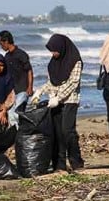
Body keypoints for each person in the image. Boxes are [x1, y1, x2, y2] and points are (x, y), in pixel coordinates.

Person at [30, 34, 85, 172]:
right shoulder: (53, 63)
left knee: (68, 131)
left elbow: (73, 83)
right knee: (58, 133)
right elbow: (52, 83)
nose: (53, 53)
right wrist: (39, 91)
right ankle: (59, 165)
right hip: (55, 101)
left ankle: (76, 161)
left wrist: (58, 98)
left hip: (70, 100)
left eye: (55, 50)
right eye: (51, 51)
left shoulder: (75, 61)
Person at [0, 30, 33, 124]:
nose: (1, 46)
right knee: (12, 113)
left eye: (1, 44)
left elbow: (29, 70)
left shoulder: (21, 54)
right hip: (12, 91)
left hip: (23, 89)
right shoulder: (7, 56)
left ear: (6, 41)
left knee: (14, 114)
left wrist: (30, 87)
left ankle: (16, 136)